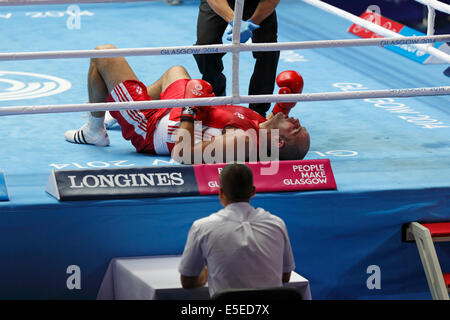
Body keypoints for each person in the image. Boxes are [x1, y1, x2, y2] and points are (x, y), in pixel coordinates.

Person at [64, 44, 310, 163]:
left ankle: (95, 130)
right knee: (176, 70)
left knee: (103, 54)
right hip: (177, 111)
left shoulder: (242, 141)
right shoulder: (261, 128)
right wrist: (285, 106)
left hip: (152, 127)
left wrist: (190, 109)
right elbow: (270, 122)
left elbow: (182, 155)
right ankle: (118, 110)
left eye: (296, 128)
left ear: (278, 141)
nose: (297, 121)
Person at [178, 163, 296, 297]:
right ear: (253, 191)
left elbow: (187, 281)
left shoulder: (202, 227)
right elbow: (285, 276)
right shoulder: (277, 224)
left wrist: (205, 275)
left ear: (221, 192)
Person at [194, 0, 281, 117]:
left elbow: (271, 0)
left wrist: (253, 22)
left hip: (257, 3)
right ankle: (215, 99)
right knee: (205, 47)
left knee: (269, 50)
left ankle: (258, 110)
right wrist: (234, 21)